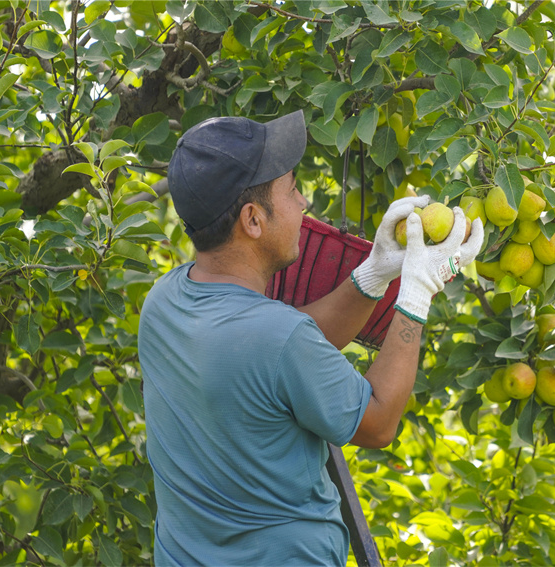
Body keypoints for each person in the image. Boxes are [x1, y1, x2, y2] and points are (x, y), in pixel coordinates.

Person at [139, 110, 484, 566]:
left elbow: (279, 358)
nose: (303, 203)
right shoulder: (278, 339)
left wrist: (373, 276)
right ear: (253, 220)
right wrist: (417, 294)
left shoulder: (165, 301)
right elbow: (378, 423)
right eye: (292, 189)